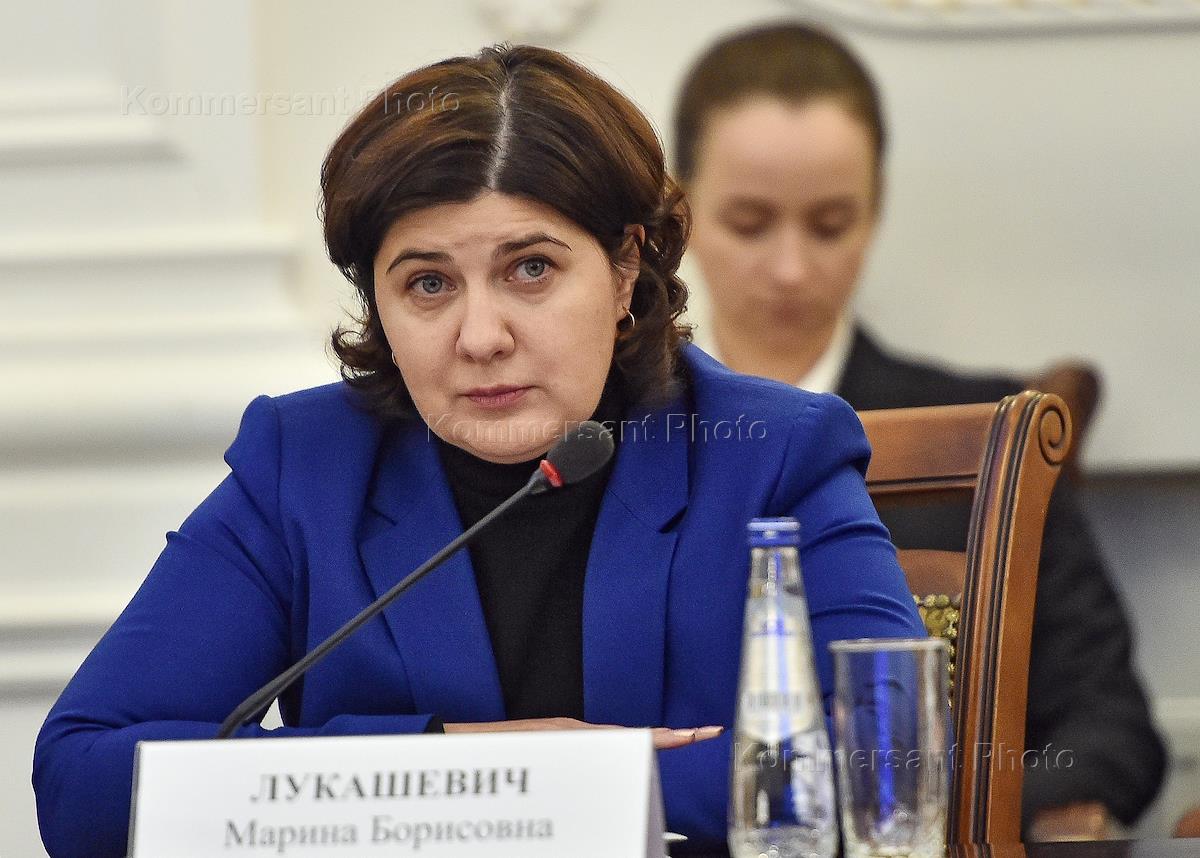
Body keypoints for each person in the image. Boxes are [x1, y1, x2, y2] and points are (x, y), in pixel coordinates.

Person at [33, 44, 927, 858]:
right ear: (377, 303)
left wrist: (532, 791)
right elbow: (83, 781)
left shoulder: (772, 455)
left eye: (530, 269)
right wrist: (462, 763)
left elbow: (888, 759)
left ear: (625, 269)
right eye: (428, 284)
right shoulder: (304, 467)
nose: (481, 336)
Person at [674, 22, 1166, 838]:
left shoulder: (982, 440)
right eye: (751, 223)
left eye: (830, 224)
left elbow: (1109, 728)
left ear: (875, 210)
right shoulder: (617, 437)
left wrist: (924, 811)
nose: (791, 268)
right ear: (681, 209)